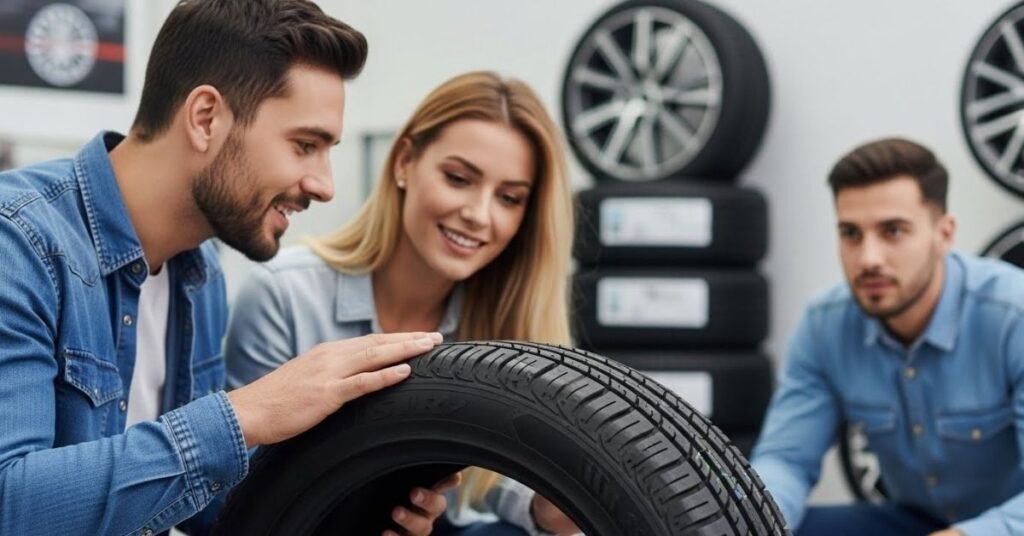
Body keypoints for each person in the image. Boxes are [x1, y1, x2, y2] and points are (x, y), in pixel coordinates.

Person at [0, 1, 456, 534]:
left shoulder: (201, 276)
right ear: (205, 118)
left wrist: (355, 504)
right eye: (304, 145)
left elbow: (200, 515)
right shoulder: (19, 240)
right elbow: (10, 502)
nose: (324, 184)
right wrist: (244, 415)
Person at [224, 71, 582, 536]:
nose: (479, 215)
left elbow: (487, 481)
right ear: (405, 162)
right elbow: (241, 495)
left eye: (509, 198)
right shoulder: (284, 295)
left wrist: (542, 510)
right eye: (458, 179)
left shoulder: (502, 319)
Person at [750, 138, 1024, 536]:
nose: (868, 259)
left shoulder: (1013, 315)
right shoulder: (824, 324)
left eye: (893, 231)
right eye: (851, 234)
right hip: (916, 522)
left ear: (944, 234)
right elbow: (786, 460)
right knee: (772, 524)